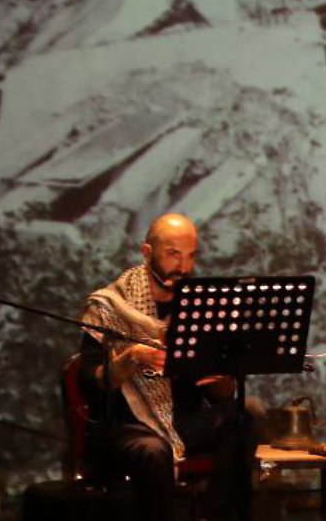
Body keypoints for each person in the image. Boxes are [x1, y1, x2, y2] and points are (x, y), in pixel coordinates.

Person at [78, 213, 255, 520]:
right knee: (153, 450)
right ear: (147, 253)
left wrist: (220, 381)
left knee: (248, 411)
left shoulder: (201, 306)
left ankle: (217, 514)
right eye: (174, 255)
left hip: (182, 423)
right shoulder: (109, 306)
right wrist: (130, 357)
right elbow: (90, 384)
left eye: (190, 257)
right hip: (124, 427)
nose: (183, 267)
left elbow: (221, 395)